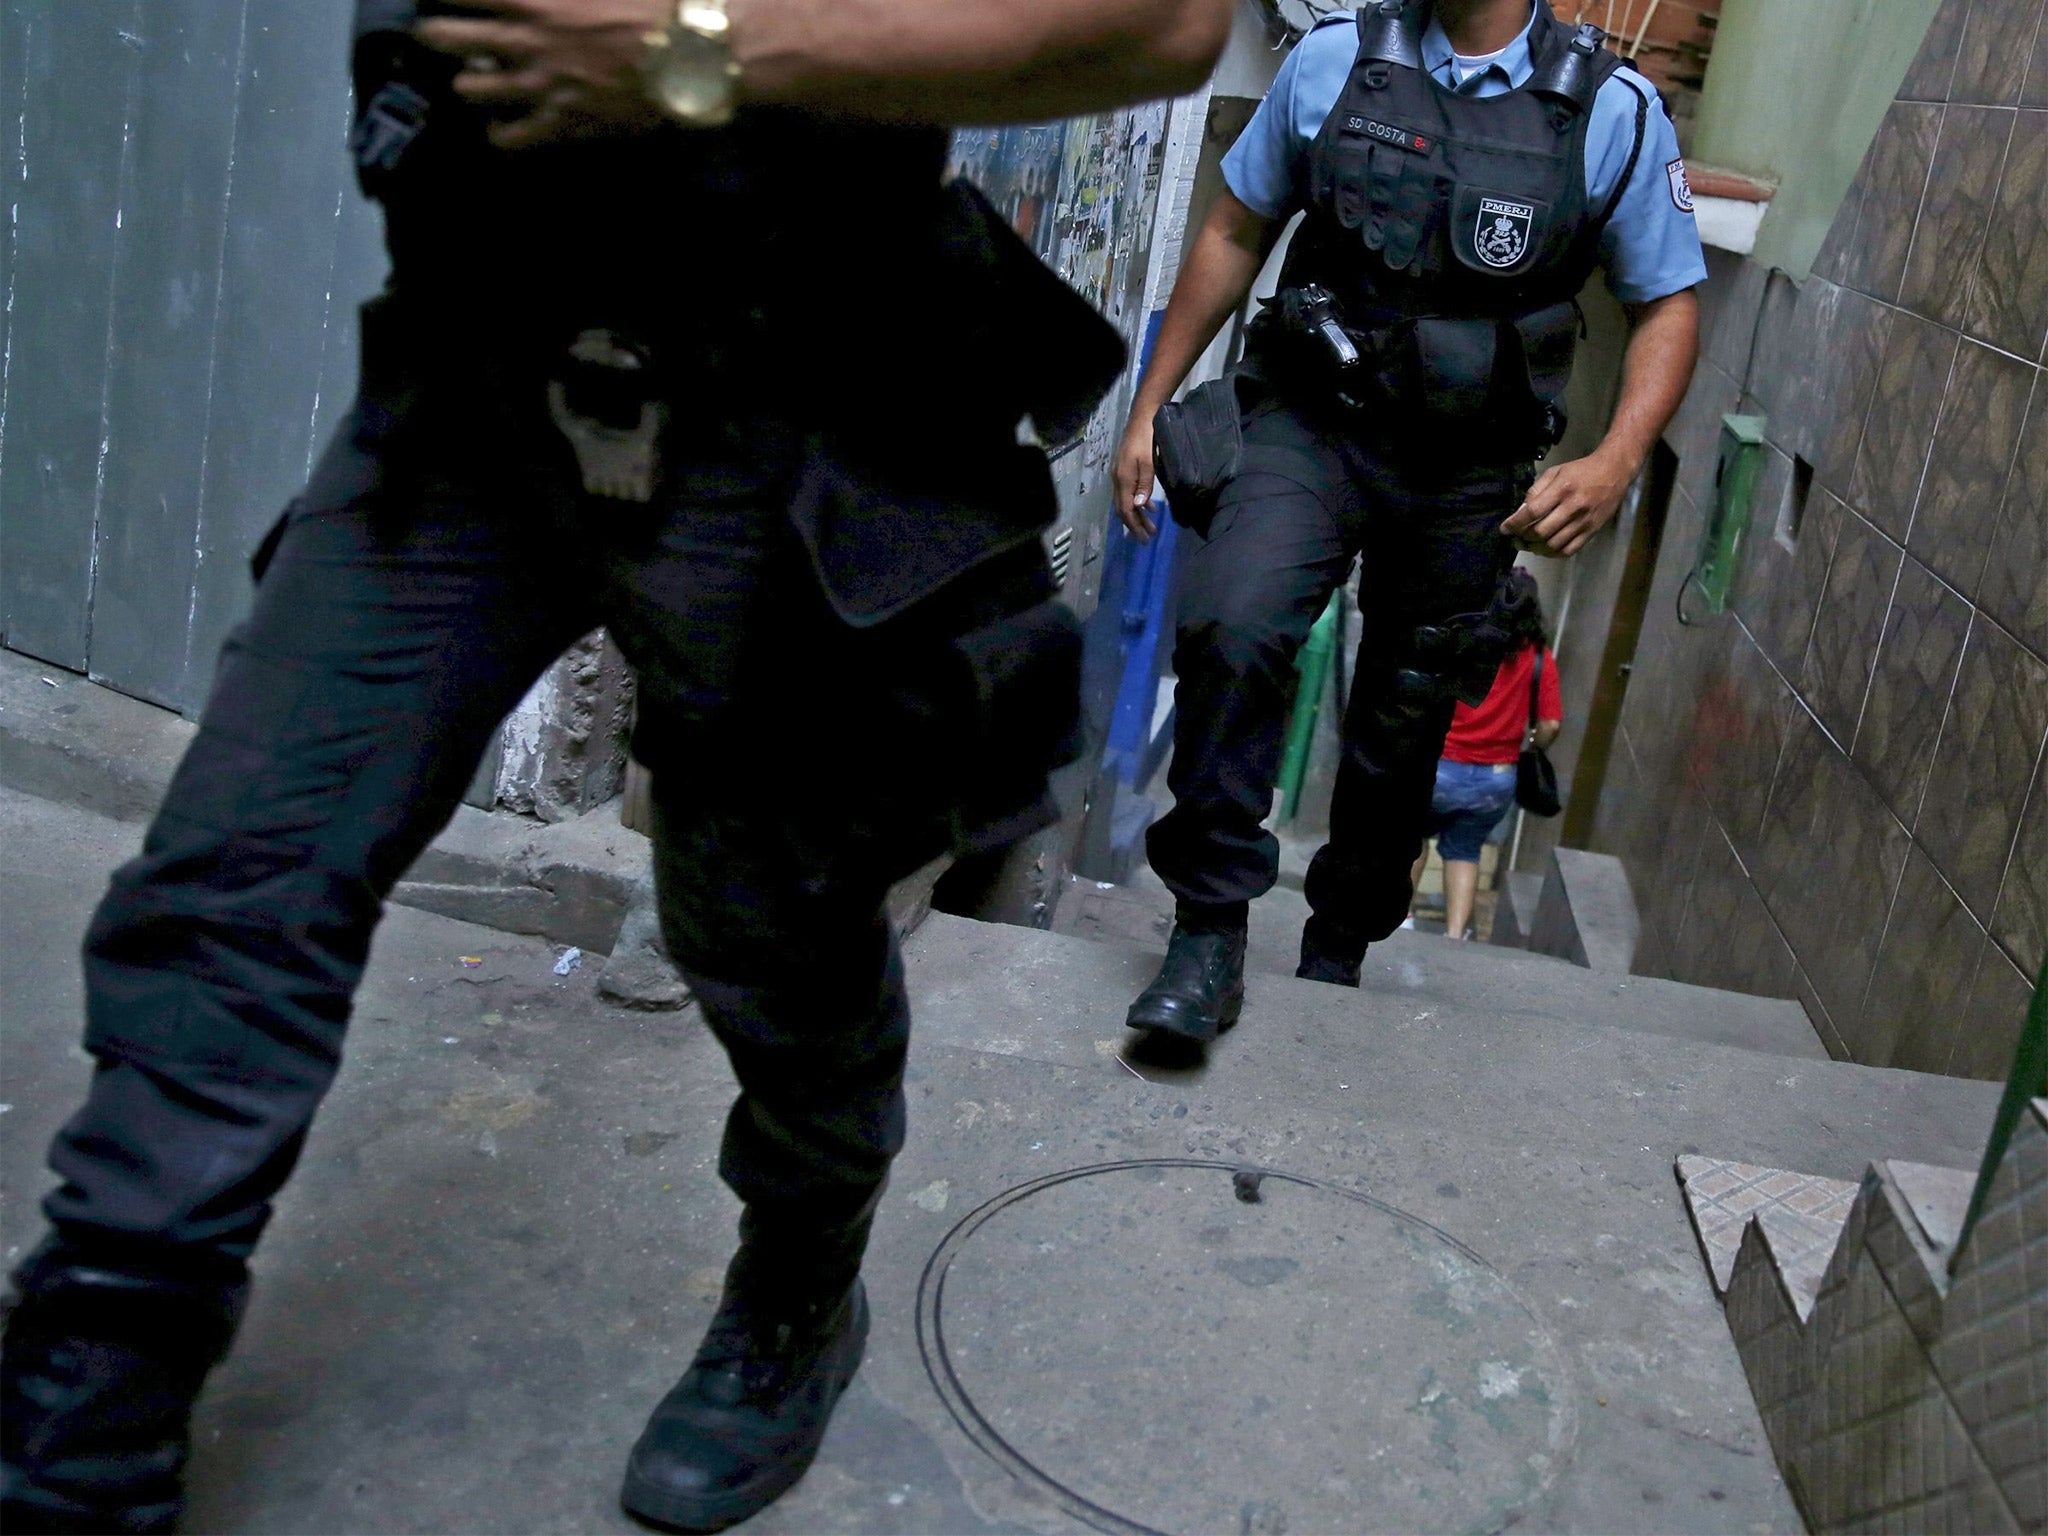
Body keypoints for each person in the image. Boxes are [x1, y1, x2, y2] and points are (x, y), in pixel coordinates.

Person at [0, 3, 1232, 1533]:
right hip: (473, 370)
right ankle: (81, 1441)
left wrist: (685, 47)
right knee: (241, 871)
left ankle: (798, 1293)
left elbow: (1164, 24)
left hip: (781, 398)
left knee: (769, 934)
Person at [1113, 0, 1704, 1043]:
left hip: (1466, 467)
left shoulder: (1608, 109)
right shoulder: (1335, 59)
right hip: (1311, 422)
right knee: (1233, 624)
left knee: (1402, 713)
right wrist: (1151, 401)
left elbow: (1665, 300)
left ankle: (1336, 945)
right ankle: (1205, 929)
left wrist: (1614, 461)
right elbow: (1233, 223)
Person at [1411, 568, 1559, 941]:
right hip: (1495, 779)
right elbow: (1551, 724)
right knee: (1465, 852)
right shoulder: (1539, 656)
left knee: (1412, 841)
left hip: (1441, 767)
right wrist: (1531, 745)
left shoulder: (1466, 640)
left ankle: (1401, 919)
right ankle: (1456, 934)